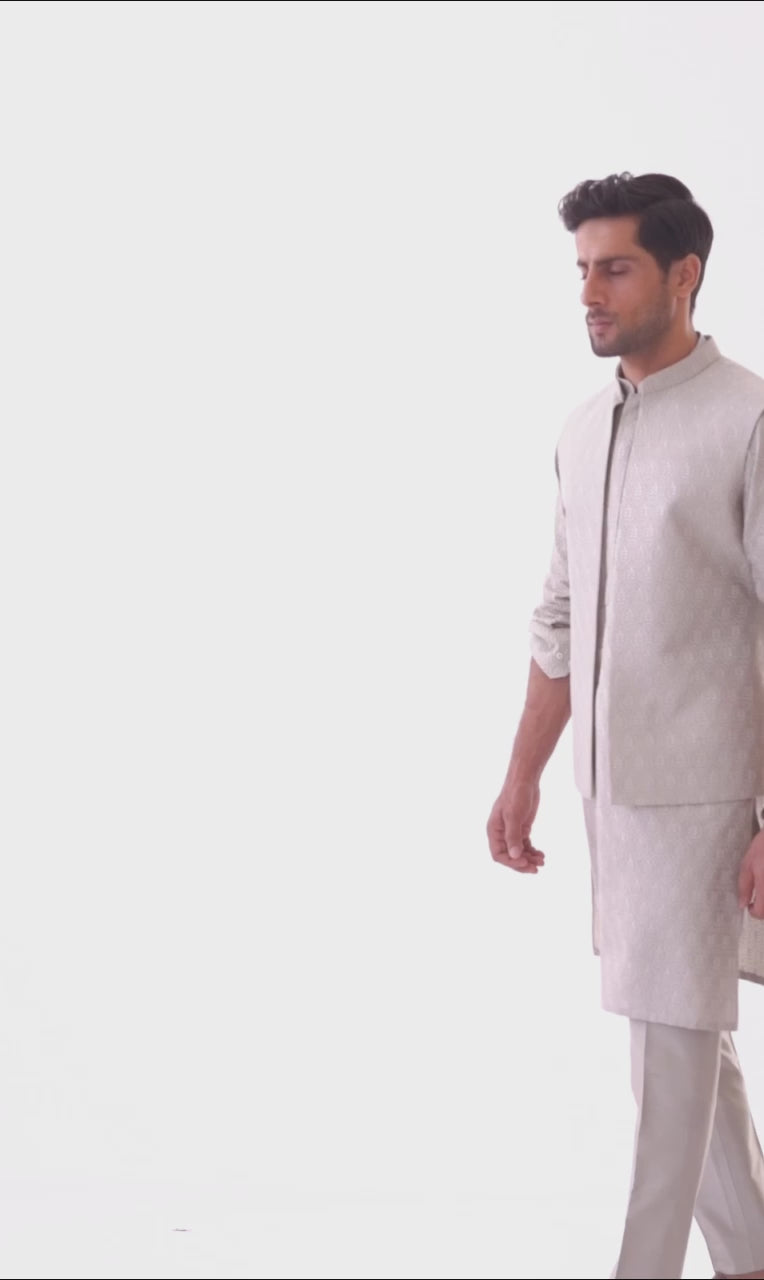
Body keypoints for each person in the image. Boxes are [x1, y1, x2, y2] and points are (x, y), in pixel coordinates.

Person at [486, 171, 764, 1280]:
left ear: (683, 274)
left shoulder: (749, 420)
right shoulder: (584, 427)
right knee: (680, 1043)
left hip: (707, 798)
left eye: (616, 268)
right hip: (612, 798)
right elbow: (560, 617)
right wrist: (523, 775)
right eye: (582, 270)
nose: (590, 293)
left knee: (670, 1056)